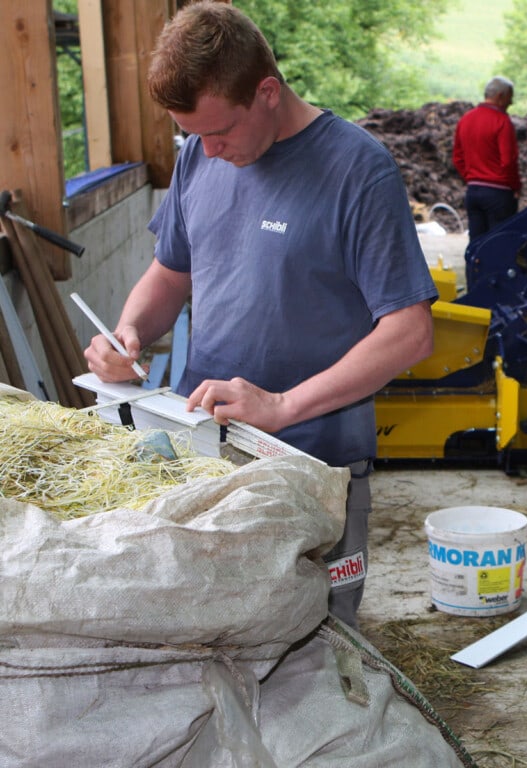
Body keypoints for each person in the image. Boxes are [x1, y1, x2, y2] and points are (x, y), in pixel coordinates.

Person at [82, 1, 437, 630]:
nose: (209, 152)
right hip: (202, 449)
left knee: (319, 643)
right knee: (210, 631)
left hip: (313, 464)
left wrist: (282, 405)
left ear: (267, 91)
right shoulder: (198, 156)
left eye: (220, 133)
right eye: (194, 136)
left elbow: (409, 332)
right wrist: (131, 328)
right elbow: (171, 271)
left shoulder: (357, 170)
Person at [452, 76, 521, 242]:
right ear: (500, 96)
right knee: (499, 244)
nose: (511, 102)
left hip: (473, 192)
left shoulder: (466, 119)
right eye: (509, 97)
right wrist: (515, 186)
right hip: (499, 194)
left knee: (476, 244)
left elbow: (457, 157)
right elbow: (508, 161)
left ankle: (472, 269)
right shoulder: (502, 121)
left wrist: (471, 178)